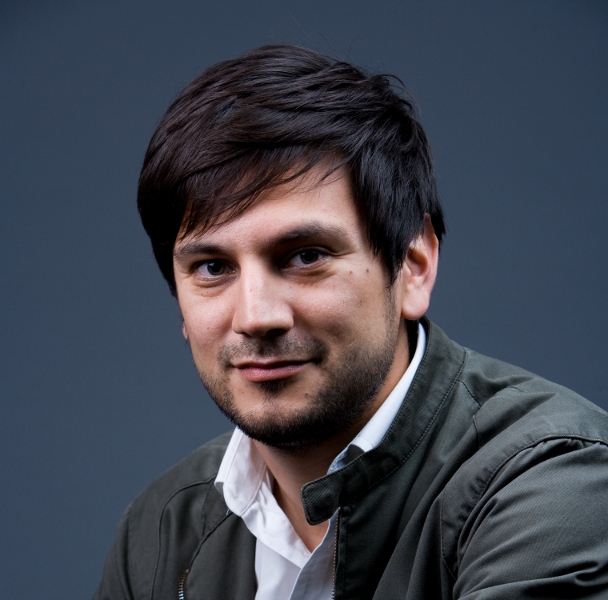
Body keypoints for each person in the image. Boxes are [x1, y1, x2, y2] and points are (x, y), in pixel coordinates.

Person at [95, 45, 608, 600]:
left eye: (306, 256)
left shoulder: (553, 481)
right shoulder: (159, 530)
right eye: (213, 268)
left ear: (413, 266)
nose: (256, 317)